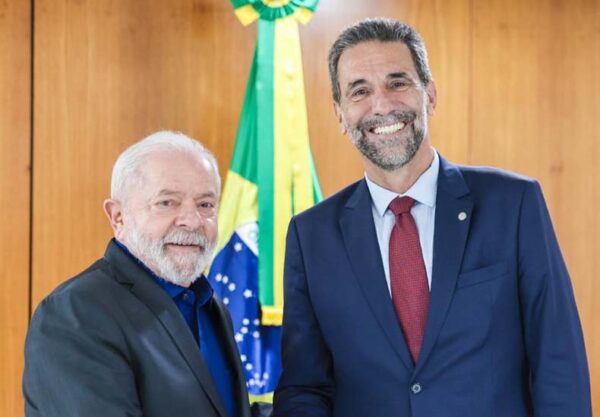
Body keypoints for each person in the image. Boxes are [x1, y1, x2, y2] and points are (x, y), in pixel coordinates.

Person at [273, 18, 591, 417]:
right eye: (360, 91)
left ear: (431, 95)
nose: (382, 105)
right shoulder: (310, 236)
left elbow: (558, 364)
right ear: (340, 114)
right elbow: (304, 387)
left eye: (398, 83)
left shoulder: (514, 204)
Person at [23, 131, 251, 417]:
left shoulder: (209, 305)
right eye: (167, 202)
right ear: (117, 217)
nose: (192, 221)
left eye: (205, 205)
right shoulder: (74, 313)